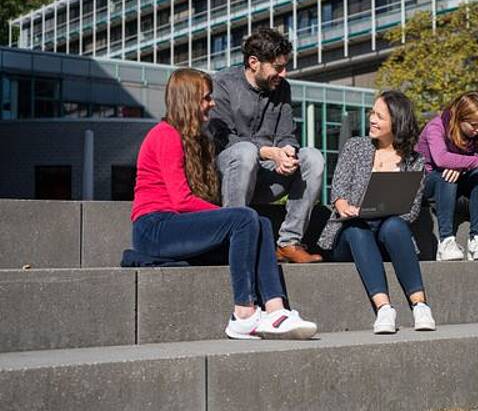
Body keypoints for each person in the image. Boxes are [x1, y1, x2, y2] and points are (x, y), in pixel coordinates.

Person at [129, 68, 317, 340]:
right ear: (189, 100)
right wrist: (232, 216)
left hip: (175, 226)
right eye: (206, 98)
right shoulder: (165, 135)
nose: (212, 103)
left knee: (261, 223)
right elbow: (182, 201)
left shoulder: (196, 141)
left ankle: (276, 310)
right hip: (154, 228)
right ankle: (244, 313)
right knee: (244, 218)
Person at [317, 91, 436, 334]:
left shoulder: (414, 161)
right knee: (357, 229)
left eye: (379, 116)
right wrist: (343, 206)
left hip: (387, 234)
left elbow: (411, 212)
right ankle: (384, 309)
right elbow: (338, 191)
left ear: (396, 122)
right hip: (350, 234)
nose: (372, 119)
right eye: (373, 113)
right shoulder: (355, 146)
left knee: (394, 225)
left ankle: (420, 306)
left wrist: (378, 210)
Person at [208, 28, 325, 264]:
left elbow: (287, 135)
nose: (284, 73)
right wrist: (268, 152)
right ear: (254, 62)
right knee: (245, 152)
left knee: (313, 157)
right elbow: (222, 139)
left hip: (266, 176)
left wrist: (288, 152)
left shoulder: (282, 88)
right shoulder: (221, 83)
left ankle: (289, 243)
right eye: (278, 67)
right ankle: (235, 241)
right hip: (228, 175)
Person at [415, 91, 478, 261]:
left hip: (456, 180)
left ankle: (477, 240)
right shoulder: (436, 127)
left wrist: (460, 166)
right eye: (474, 125)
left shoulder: (471, 135)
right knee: (446, 175)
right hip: (428, 181)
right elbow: (441, 159)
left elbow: (472, 159)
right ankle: (446, 241)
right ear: (459, 117)